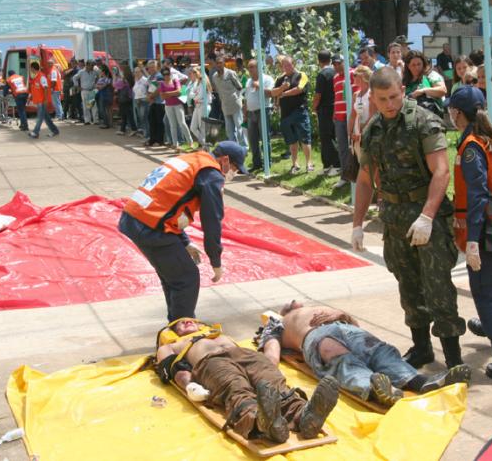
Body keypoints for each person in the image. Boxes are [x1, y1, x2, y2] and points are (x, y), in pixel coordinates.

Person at [352, 67, 465, 370]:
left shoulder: (424, 122)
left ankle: (453, 358)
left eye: (393, 96)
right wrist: (357, 225)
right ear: (372, 98)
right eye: (382, 99)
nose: (390, 104)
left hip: (427, 216)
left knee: (437, 286)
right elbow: (365, 179)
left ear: (402, 90)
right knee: (408, 286)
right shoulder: (374, 130)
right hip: (394, 219)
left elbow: (440, 171)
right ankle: (422, 347)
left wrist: (427, 216)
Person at [155, 318, 338, 443]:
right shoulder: (175, 344)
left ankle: (304, 415)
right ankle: (260, 422)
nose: (187, 321)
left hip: (244, 355)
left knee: (270, 380)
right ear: (173, 332)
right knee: (235, 386)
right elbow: (171, 367)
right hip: (211, 361)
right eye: (180, 323)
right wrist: (189, 385)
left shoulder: (216, 334)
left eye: (191, 320)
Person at [257, 302, 471, 407]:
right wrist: (268, 383)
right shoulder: (277, 323)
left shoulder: (316, 306)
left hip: (345, 327)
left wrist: (343, 315)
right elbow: (271, 355)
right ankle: (376, 389)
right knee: (337, 355)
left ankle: (420, 381)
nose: (294, 302)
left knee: (377, 350)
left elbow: (357, 325)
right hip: (314, 337)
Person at [446, 86, 492, 384]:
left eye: (451, 110)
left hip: (486, 236)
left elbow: (477, 197)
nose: (449, 114)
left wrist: (473, 242)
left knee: (489, 299)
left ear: (458, 114)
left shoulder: (472, 148)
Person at [118, 151, 225, 321]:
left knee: (173, 277)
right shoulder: (211, 174)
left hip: (136, 218)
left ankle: (176, 323)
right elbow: (212, 220)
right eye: (234, 168)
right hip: (150, 227)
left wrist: (184, 242)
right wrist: (215, 260)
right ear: (225, 160)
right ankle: (183, 330)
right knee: (186, 278)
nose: (232, 173)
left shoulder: (192, 160)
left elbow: (168, 201)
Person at [271, 56, 314, 174]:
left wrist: (283, 93)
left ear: (293, 64)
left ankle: (309, 163)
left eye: (288, 65)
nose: (286, 67)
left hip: (300, 112)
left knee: (305, 138)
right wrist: (282, 87)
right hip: (285, 114)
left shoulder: (301, 75)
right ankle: (295, 164)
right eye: (284, 65)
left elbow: (299, 89)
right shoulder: (280, 79)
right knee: (291, 141)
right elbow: (273, 92)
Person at [331, 54, 358, 188]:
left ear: (345, 61)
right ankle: (345, 176)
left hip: (351, 117)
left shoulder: (353, 74)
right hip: (339, 118)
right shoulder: (335, 77)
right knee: (342, 148)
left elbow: (357, 94)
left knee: (354, 148)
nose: (336, 66)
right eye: (334, 64)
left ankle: (357, 176)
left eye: (338, 63)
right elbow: (336, 97)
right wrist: (334, 113)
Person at [312, 51, 340, 177]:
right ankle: (328, 165)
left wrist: (313, 107)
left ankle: (336, 165)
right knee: (331, 136)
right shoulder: (336, 72)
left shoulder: (322, 74)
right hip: (335, 107)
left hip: (325, 109)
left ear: (319, 61)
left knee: (327, 137)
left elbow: (318, 95)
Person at [243, 60, 273, 172]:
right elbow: (246, 98)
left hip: (263, 111)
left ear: (258, 67)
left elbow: (271, 93)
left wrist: (259, 86)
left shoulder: (267, 79)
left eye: (252, 67)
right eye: (248, 67)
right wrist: (245, 112)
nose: (249, 69)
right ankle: (256, 163)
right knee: (252, 139)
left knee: (265, 138)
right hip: (251, 113)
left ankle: (267, 163)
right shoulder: (248, 81)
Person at [211, 55, 245, 145]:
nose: (218, 65)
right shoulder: (214, 76)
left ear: (224, 63)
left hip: (235, 103)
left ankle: (244, 146)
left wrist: (237, 97)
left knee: (239, 126)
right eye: (217, 63)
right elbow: (217, 90)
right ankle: (233, 147)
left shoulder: (231, 73)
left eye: (220, 63)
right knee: (229, 129)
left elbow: (239, 87)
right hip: (225, 105)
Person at [403, 50, 447, 119]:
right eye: (413, 65)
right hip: (410, 118)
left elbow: (443, 90)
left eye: (419, 64)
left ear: (423, 63)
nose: (417, 67)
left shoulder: (431, 75)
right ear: (408, 66)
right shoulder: (404, 81)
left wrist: (423, 91)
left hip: (432, 118)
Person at [159, 66, 195, 152]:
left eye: (167, 74)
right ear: (162, 75)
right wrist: (173, 93)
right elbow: (162, 96)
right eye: (164, 74)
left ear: (170, 74)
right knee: (173, 125)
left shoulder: (175, 81)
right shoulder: (161, 83)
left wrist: (167, 93)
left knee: (182, 123)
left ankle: (190, 142)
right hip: (168, 106)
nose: (166, 76)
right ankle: (175, 144)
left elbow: (179, 92)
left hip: (178, 105)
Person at [348, 65, 375, 162]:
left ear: (362, 76)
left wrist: (362, 132)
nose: (353, 76)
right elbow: (352, 115)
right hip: (357, 130)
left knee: (370, 161)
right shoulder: (356, 94)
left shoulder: (372, 93)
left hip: (369, 130)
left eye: (355, 74)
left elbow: (373, 115)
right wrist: (350, 133)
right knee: (360, 160)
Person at [27, 62, 59, 139]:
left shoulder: (41, 77)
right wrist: (29, 98)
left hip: (42, 101)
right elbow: (34, 89)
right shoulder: (36, 77)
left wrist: (45, 99)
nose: (30, 69)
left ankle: (35, 132)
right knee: (46, 118)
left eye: (30, 68)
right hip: (39, 101)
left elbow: (45, 88)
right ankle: (55, 131)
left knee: (40, 118)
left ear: (33, 68)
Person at [144, 60, 166, 147]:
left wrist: (151, 96)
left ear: (157, 67)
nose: (151, 69)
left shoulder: (159, 76)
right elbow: (148, 88)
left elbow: (159, 88)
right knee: (152, 121)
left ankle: (159, 141)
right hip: (153, 102)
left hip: (159, 102)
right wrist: (148, 96)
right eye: (150, 67)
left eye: (153, 67)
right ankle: (152, 139)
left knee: (159, 122)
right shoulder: (150, 77)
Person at [190, 67, 213, 146]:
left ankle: (204, 145)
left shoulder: (204, 82)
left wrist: (195, 95)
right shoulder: (197, 82)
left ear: (199, 72)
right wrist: (195, 95)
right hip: (197, 106)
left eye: (194, 72)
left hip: (204, 106)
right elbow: (190, 94)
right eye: (193, 72)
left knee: (202, 128)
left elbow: (198, 96)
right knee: (193, 127)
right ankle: (204, 144)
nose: (193, 73)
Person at [73, 60, 99, 125]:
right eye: (91, 65)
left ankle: (95, 120)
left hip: (91, 90)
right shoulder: (81, 72)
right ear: (87, 65)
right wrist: (77, 86)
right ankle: (87, 120)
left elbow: (98, 77)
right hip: (84, 90)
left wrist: (96, 83)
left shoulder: (94, 72)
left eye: (93, 65)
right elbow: (74, 78)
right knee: (85, 106)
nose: (92, 67)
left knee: (93, 106)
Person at [114, 68, 136, 136]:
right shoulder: (128, 80)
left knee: (127, 115)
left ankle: (133, 129)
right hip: (127, 99)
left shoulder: (124, 81)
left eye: (121, 72)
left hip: (125, 100)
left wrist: (115, 77)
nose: (121, 73)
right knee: (125, 115)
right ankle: (123, 129)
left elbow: (114, 85)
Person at [133, 66, 150, 139]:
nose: (136, 73)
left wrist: (146, 96)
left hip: (143, 100)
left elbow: (150, 88)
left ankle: (147, 135)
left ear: (141, 72)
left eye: (138, 72)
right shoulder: (136, 80)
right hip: (137, 100)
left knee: (144, 118)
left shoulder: (145, 80)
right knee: (141, 118)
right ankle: (145, 133)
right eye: (135, 72)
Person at [95, 65, 114, 129]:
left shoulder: (108, 79)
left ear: (104, 72)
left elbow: (100, 87)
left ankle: (108, 123)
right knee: (106, 109)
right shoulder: (103, 79)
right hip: (104, 95)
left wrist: (100, 86)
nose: (100, 72)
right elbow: (97, 86)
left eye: (101, 71)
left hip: (106, 95)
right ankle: (108, 123)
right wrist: (101, 86)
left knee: (106, 109)